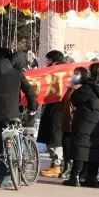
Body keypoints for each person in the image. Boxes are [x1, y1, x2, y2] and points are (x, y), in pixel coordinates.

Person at [0, 46, 37, 188]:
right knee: (7, 148)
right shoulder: (17, 73)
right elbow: (29, 91)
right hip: (10, 115)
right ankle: (4, 179)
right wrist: (33, 106)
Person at [65, 63, 99, 187]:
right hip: (96, 121)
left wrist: (75, 87)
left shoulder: (87, 88)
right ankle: (92, 178)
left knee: (80, 147)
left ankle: (75, 177)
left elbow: (74, 99)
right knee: (93, 148)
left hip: (83, 120)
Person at [38, 50, 70, 178]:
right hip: (53, 108)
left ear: (55, 62)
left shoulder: (60, 74)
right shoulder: (56, 73)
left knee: (55, 137)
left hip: (58, 110)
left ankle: (57, 165)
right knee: (52, 136)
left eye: (48, 61)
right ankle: (55, 164)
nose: (46, 63)